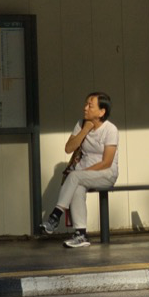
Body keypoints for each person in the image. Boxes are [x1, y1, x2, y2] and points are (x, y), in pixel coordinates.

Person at [40, 92, 119, 248]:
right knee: (77, 187)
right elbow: (69, 148)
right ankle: (81, 234)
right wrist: (85, 130)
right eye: (85, 104)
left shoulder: (110, 130)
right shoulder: (81, 124)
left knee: (75, 177)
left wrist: (82, 173)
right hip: (83, 175)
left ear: (102, 112)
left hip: (106, 173)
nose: (85, 108)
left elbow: (107, 162)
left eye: (90, 105)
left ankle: (55, 217)